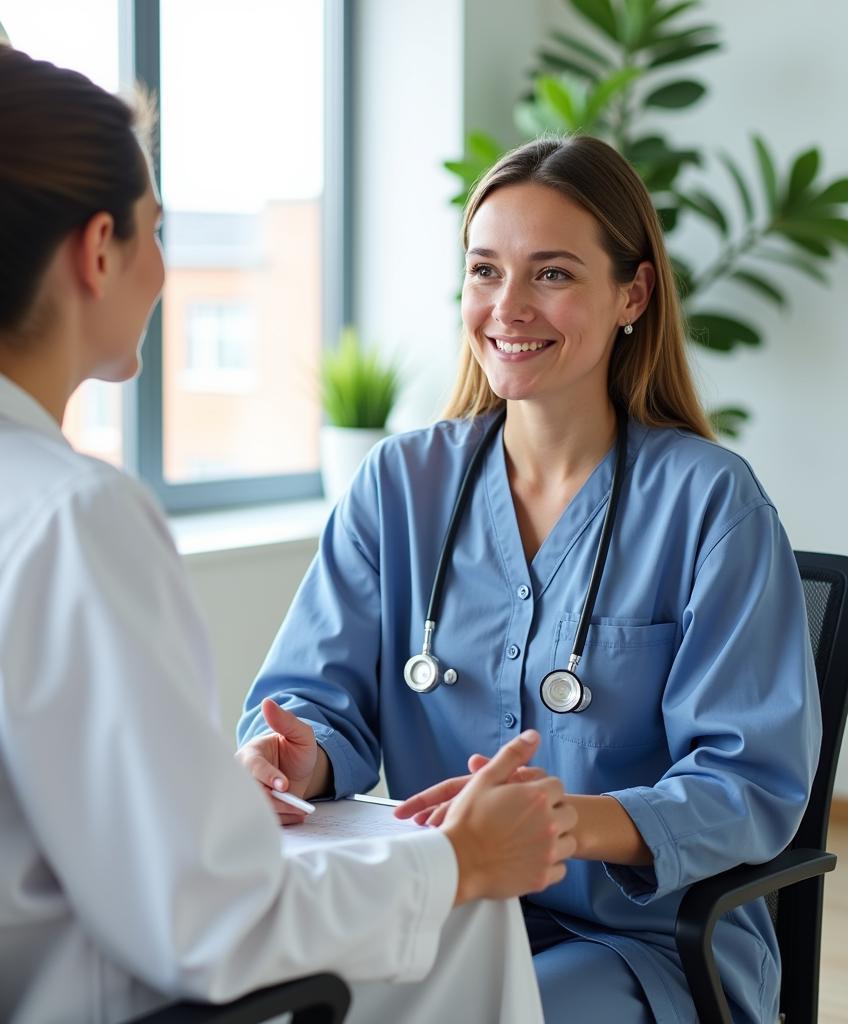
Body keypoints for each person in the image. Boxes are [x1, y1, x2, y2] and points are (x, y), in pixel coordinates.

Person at [0, 42, 579, 1024]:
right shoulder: (65, 519)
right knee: (461, 916)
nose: (164, 267)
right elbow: (209, 924)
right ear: (97, 251)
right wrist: (460, 858)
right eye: (156, 230)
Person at [238, 135, 822, 1023]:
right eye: (484, 271)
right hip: (442, 908)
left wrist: (570, 822)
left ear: (632, 293)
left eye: (551, 274)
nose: (507, 307)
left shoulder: (711, 504)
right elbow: (314, 700)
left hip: (640, 946)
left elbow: (749, 784)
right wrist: (296, 756)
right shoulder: (400, 486)